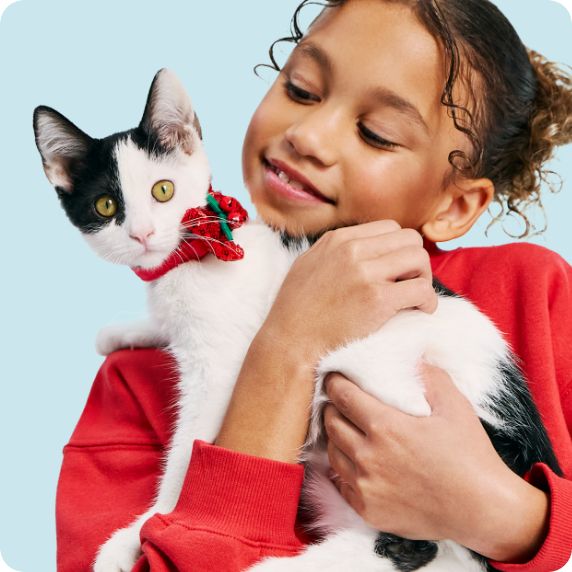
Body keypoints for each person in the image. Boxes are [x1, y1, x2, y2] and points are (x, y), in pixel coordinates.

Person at [56, 0, 572, 570]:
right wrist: (285, 349)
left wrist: (505, 515)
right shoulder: (133, 385)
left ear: (455, 205)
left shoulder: (533, 290)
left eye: (375, 133)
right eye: (301, 89)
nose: (307, 135)